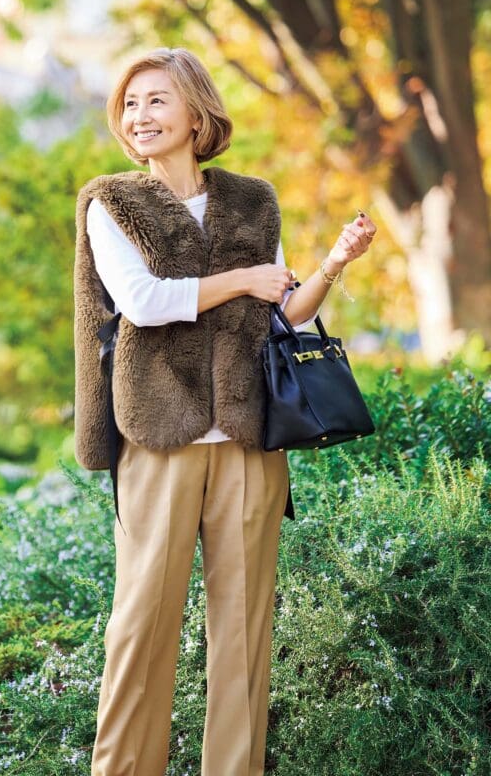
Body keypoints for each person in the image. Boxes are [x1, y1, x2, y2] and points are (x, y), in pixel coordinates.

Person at [73, 48, 376, 776]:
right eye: (131, 104)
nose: (138, 117)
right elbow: (144, 304)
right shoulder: (111, 203)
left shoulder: (251, 201)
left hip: (247, 441)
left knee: (243, 634)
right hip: (160, 438)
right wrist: (242, 277)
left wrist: (332, 263)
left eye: (156, 101)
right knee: (141, 628)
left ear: (197, 112)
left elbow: (287, 315)